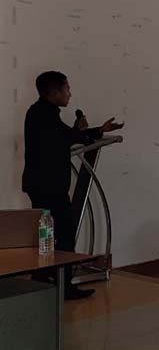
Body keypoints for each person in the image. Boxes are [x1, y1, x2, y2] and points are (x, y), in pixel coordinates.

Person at [22, 71, 124, 299]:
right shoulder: (42, 115)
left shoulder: (43, 113)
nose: (70, 93)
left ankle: (44, 278)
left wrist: (98, 131)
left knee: (49, 234)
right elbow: (64, 139)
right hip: (48, 186)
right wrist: (85, 132)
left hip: (43, 185)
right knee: (63, 235)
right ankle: (63, 285)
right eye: (67, 89)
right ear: (55, 91)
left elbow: (65, 136)